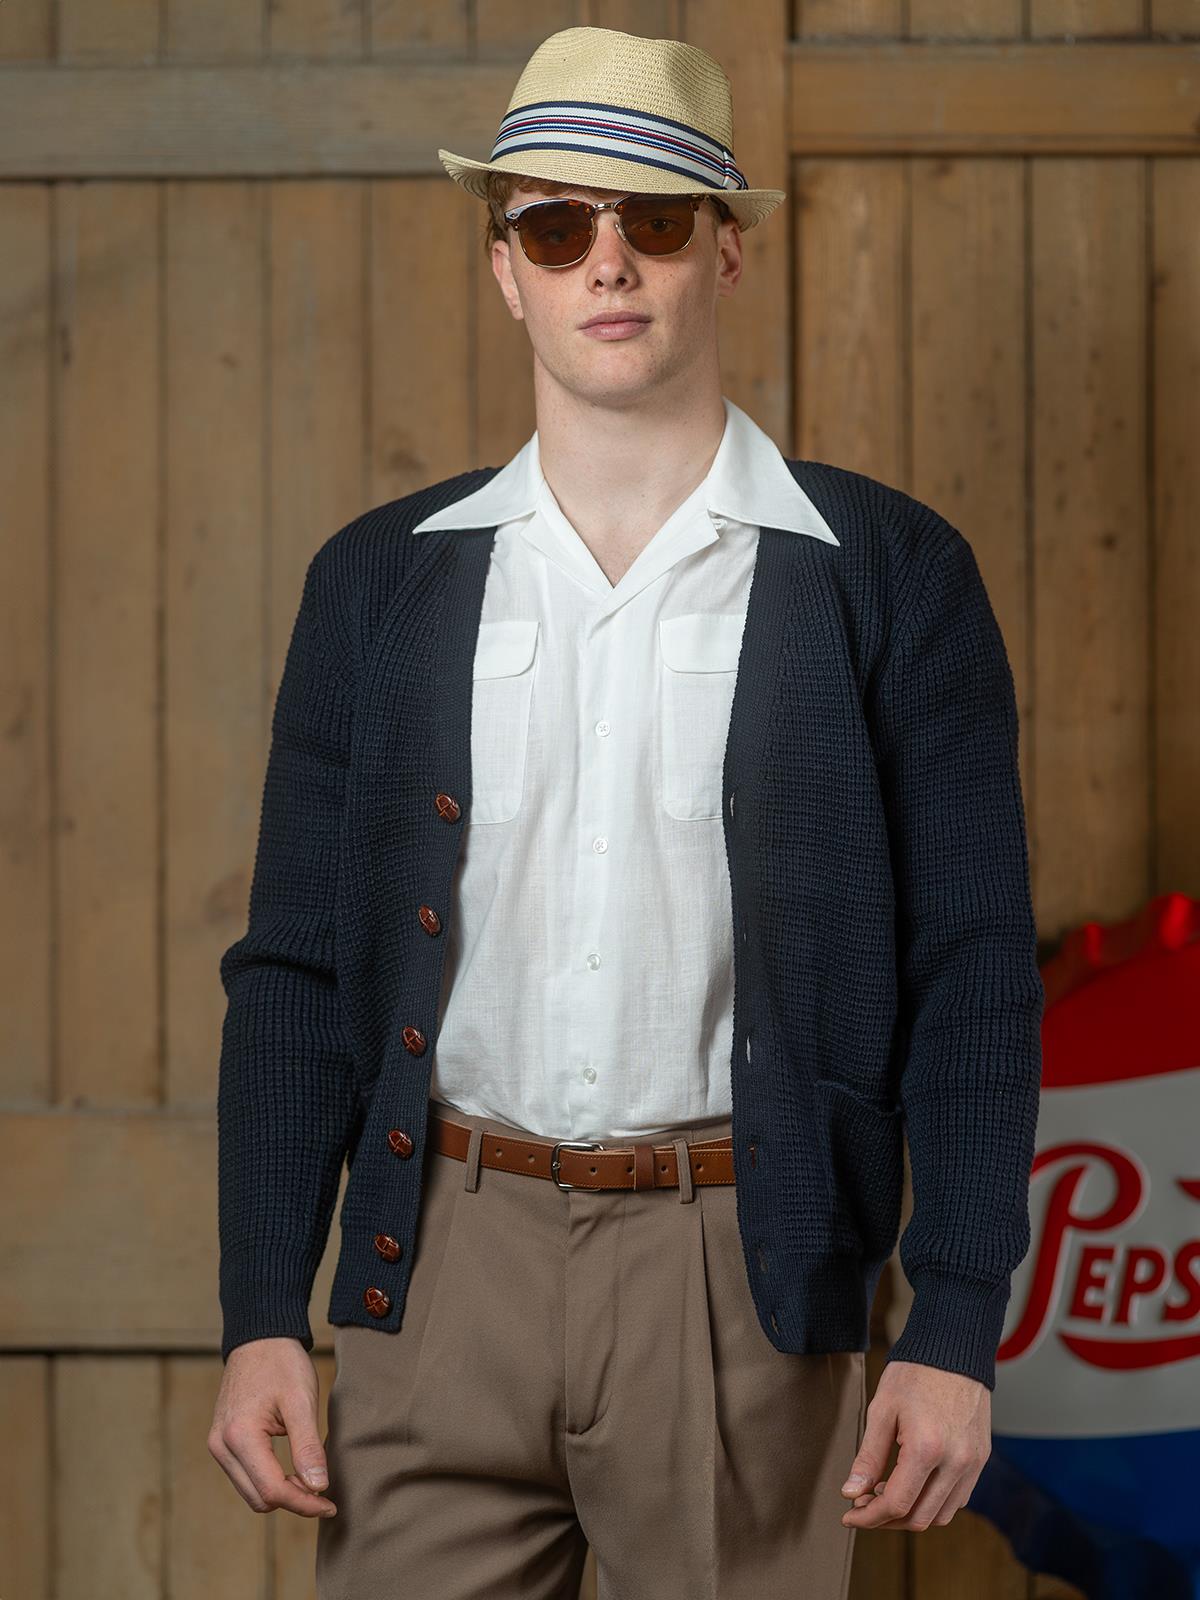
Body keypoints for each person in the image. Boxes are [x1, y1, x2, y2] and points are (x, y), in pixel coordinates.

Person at [207, 24, 1044, 1599]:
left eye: (654, 218)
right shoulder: (375, 586)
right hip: (435, 1265)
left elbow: (975, 974)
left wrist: (954, 1319)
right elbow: (299, 975)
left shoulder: (893, 578)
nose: (607, 262)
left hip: (744, 1271)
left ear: (726, 249)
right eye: (554, 226)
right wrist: (261, 1307)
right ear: (503, 269)